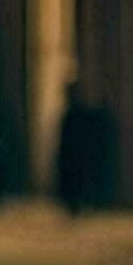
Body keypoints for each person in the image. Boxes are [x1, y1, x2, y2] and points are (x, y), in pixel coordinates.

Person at [55, 82, 91, 214]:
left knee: (75, 181)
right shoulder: (71, 114)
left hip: (75, 156)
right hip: (72, 156)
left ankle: (75, 204)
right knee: (72, 182)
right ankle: (73, 204)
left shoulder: (75, 114)